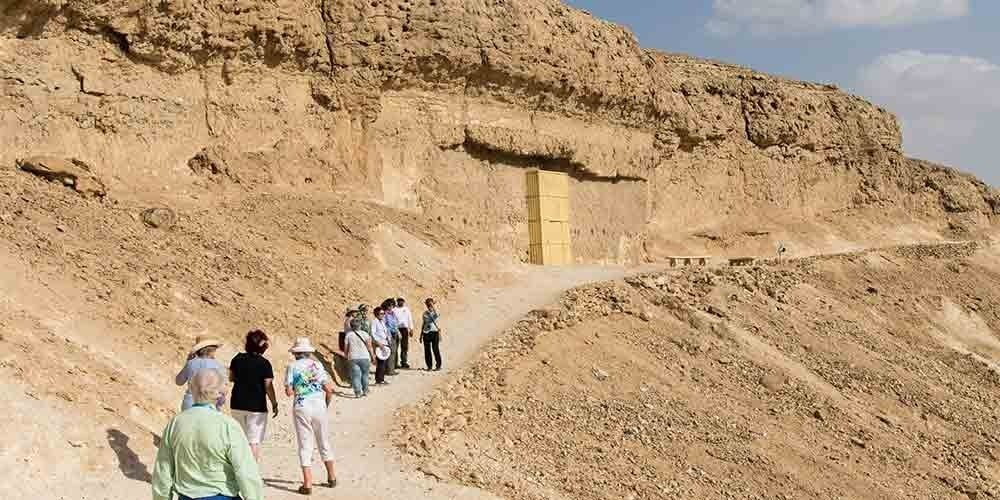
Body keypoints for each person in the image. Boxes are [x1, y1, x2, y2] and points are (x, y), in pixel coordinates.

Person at [152, 369, 263, 500]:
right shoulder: (227, 425)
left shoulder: (176, 423)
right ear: (219, 394)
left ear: (192, 390)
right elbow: (246, 472)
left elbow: (163, 470)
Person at [285, 337, 337, 495]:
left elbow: (288, 392)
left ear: (295, 353)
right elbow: (328, 389)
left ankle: (307, 483)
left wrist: (299, 388)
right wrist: (326, 403)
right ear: (308, 352)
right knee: (324, 441)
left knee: (304, 444)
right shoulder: (318, 365)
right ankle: (332, 476)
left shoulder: (292, 367)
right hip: (318, 405)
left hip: (302, 405)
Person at [229, 329, 278, 462]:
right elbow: (268, 385)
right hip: (256, 407)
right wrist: (274, 403)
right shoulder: (264, 363)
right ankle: (251, 474)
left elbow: (231, 378)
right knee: (253, 442)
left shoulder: (237, 359)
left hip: (237, 404)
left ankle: (238, 471)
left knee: (240, 439)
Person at [175, 336, 227, 411]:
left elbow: (178, 382)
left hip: (190, 403)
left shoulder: (191, 363)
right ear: (212, 350)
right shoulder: (218, 366)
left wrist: (188, 362)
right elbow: (223, 390)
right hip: (209, 404)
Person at [344, 317, 375, 397]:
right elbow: (369, 347)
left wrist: (346, 355)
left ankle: (357, 392)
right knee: (365, 375)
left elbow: (346, 348)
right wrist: (373, 356)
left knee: (355, 376)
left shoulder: (348, 335)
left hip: (353, 357)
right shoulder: (365, 334)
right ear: (360, 325)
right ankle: (365, 390)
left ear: (351, 326)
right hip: (364, 357)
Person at [370, 307, 392, 384]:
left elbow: (385, 332)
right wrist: (378, 343)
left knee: (384, 362)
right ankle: (379, 380)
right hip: (379, 344)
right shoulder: (374, 322)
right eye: (381, 313)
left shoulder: (382, 322)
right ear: (377, 314)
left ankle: (381, 378)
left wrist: (388, 339)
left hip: (385, 343)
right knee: (381, 363)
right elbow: (373, 333)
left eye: (383, 313)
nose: (383, 315)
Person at [421, 298, 443, 371]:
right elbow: (423, 324)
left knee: (435, 349)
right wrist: (421, 335)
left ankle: (438, 365)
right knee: (427, 350)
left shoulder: (436, 312)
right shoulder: (424, 313)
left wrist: (433, 306)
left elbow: (436, 315)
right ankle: (429, 366)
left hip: (435, 332)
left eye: (430, 304)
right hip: (426, 332)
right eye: (427, 304)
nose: (429, 305)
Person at [392, 297, 413, 369]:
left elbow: (409, 318)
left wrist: (411, 329)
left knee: (404, 346)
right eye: (399, 301)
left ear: (404, 302)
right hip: (396, 329)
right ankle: (395, 363)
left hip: (404, 329)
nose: (400, 302)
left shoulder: (406, 309)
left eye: (402, 301)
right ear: (397, 301)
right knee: (396, 346)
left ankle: (404, 362)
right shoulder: (394, 309)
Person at [381, 299, 400, 376]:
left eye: (392, 305)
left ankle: (389, 369)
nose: (391, 307)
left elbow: (396, 324)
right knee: (391, 352)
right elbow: (384, 326)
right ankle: (389, 370)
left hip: (394, 334)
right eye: (390, 305)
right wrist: (388, 336)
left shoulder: (393, 314)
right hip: (389, 335)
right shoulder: (385, 315)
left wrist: (398, 332)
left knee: (393, 351)